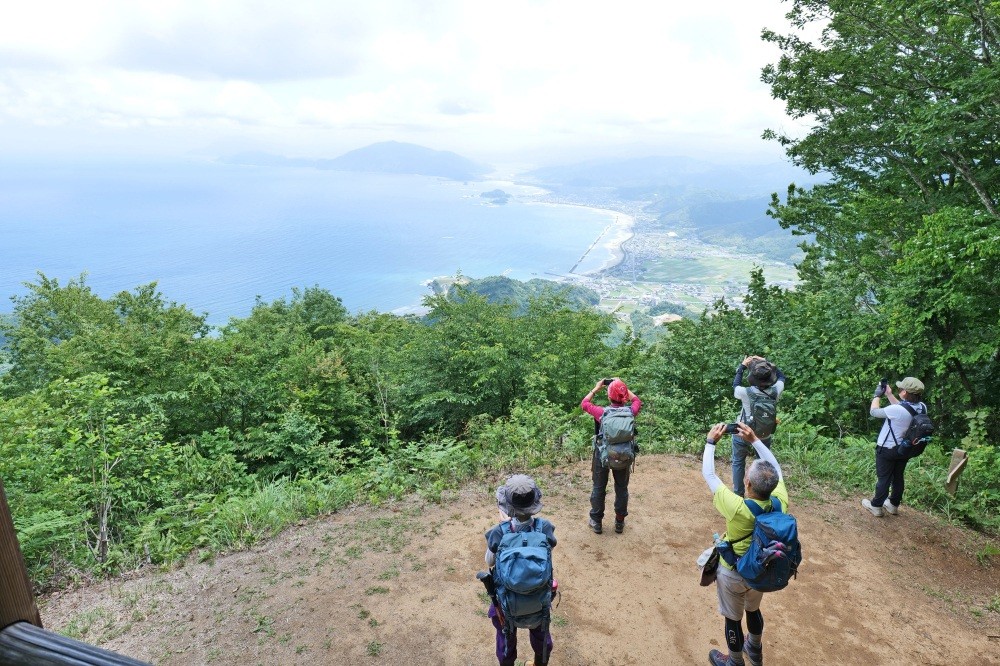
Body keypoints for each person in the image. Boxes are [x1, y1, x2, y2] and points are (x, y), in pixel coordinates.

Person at [702, 421, 788, 666]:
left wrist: (711, 442)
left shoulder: (738, 507)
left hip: (734, 572)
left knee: (732, 618)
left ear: (747, 484)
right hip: (762, 569)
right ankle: (755, 649)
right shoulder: (779, 501)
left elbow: (709, 474)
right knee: (753, 610)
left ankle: (735, 661)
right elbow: (778, 470)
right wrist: (756, 441)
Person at [484, 475, 557, 666]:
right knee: (542, 638)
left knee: (505, 639)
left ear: (507, 506)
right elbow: (550, 548)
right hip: (538, 602)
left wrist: (506, 528)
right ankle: (539, 662)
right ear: (534, 502)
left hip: (506, 603)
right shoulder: (545, 528)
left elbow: (489, 561)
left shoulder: (499, 531)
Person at [581, 378, 642, 534]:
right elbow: (637, 401)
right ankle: (619, 522)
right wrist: (622, 386)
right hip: (624, 456)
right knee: (621, 488)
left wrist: (596, 388)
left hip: (603, 455)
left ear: (609, 396)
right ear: (624, 397)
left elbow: (585, 404)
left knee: (599, 487)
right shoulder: (630, 412)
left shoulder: (602, 413)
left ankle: (596, 521)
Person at [861, 376, 927, 517]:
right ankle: (893, 505)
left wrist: (877, 395)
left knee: (884, 478)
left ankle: (876, 506)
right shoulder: (922, 408)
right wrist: (889, 394)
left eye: (901, 388)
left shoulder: (896, 410)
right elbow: (904, 409)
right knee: (898, 477)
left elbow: (874, 412)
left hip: (887, 449)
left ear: (904, 393)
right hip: (905, 448)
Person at [731, 356, 786, 497]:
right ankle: (760, 494)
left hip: (743, 432)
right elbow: (782, 376)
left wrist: (742, 366)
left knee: (738, 462)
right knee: (762, 464)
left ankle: (738, 494)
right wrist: (766, 362)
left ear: (752, 378)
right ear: (770, 377)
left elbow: (735, 384)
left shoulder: (744, 392)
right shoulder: (776, 390)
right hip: (763, 434)